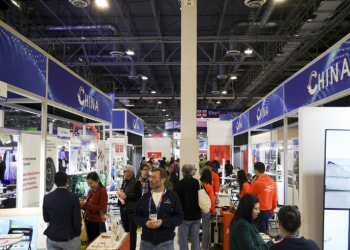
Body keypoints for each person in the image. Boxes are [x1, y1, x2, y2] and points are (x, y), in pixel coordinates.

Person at [134, 168, 184, 250]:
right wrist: (145, 222)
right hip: (146, 242)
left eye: (154, 177)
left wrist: (162, 222)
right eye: (150, 177)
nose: (151, 180)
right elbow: (136, 216)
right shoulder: (145, 196)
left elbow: (179, 218)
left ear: (163, 180)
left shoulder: (172, 196)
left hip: (165, 242)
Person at [43, 172, 81, 250]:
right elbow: (77, 220)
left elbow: (46, 219)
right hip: (69, 238)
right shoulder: (73, 197)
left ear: (54, 182)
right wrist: (77, 233)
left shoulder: (47, 197)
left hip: (52, 237)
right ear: (68, 181)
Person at [175, 164, 201, 250]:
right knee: (195, 239)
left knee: (183, 240)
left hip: (183, 216)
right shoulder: (197, 182)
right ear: (192, 172)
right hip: (196, 215)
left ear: (182, 172)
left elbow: (176, 200)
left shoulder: (179, 184)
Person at [249, 162, 278, 234]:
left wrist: (252, 182)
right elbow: (275, 197)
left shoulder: (257, 183)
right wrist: (272, 209)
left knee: (261, 233)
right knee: (265, 230)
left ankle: (265, 245)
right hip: (268, 210)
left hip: (259, 211)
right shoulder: (272, 181)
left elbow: (249, 195)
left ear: (256, 171)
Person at [118, 165, 141, 250]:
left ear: (130, 172)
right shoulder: (124, 181)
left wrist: (127, 197)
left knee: (132, 231)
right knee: (125, 230)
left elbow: (138, 196)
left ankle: (132, 248)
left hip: (132, 209)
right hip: (123, 208)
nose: (123, 173)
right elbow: (122, 191)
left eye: (125, 171)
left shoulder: (136, 182)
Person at [80, 172, 108, 242]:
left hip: (97, 223)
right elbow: (89, 206)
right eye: (88, 183)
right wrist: (82, 205)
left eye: (91, 183)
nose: (89, 185)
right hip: (88, 221)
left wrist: (86, 204)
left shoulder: (102, 191)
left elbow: (102, 208)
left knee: (96, 243)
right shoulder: (90, 191)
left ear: (97, 181)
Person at [200, 169, 215, 250]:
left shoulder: (198, 185)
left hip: (197, 210)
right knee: (206, 229)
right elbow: (212, 200)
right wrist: (213, 211)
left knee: (195, 228)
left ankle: (195, 245)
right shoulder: (209, 186)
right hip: (206, 210)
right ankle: (204, 247)